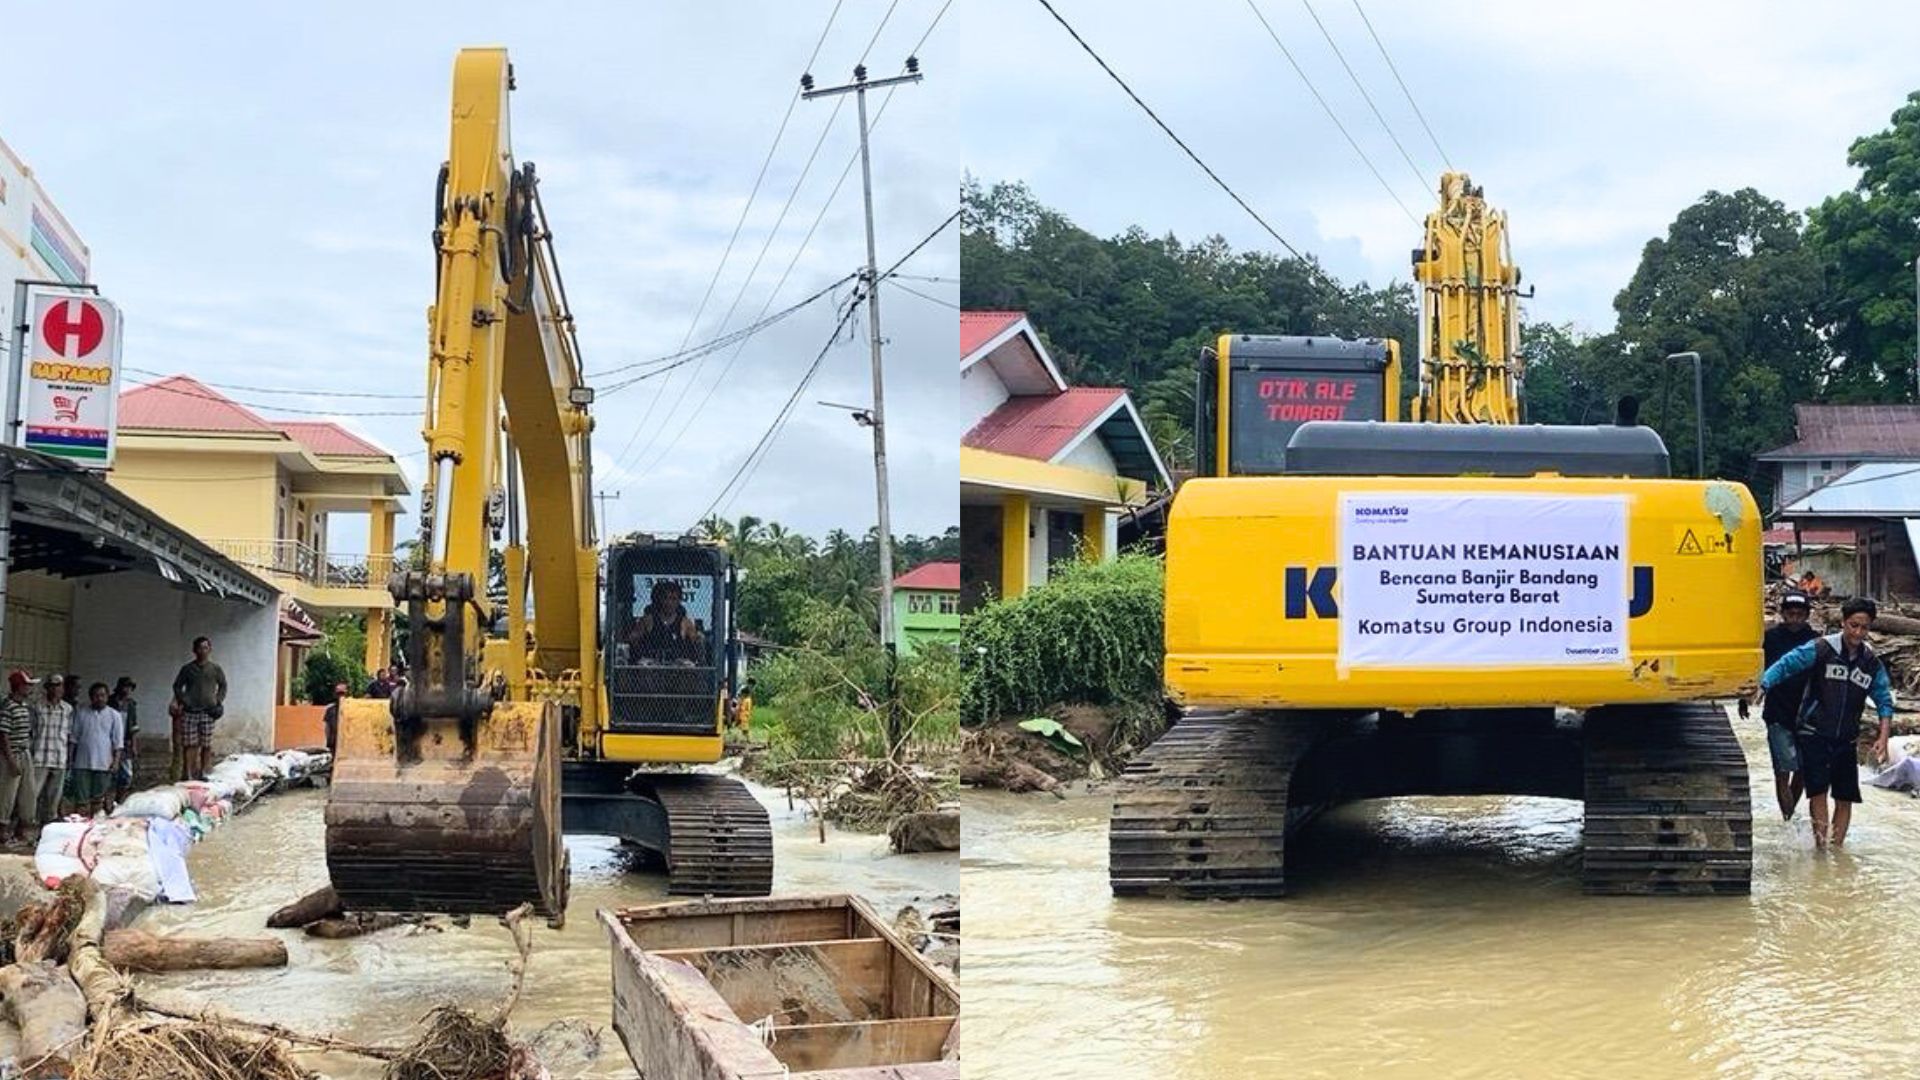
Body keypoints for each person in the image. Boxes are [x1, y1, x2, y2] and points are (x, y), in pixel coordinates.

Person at [1759, 596, 1894, 849]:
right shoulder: (1821, 648)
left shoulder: (1871, 663)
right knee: (1818, 792)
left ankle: (1837, 849)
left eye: (1864, 627)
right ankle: (1822, 851)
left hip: (1847, 737)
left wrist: (1883, 738)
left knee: (1845, 797)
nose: (1858, 632)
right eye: (1853, 625)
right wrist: (1764, 684)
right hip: (1815, 732)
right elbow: (1787, 664)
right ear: (1843, 623)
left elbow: (1884, 700)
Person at [1743, 592, 1819, 820]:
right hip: (1777, 710)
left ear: (1807, 615)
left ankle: (1790, 813)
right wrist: (1744, 699)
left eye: (1799, 614)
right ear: (1783, 614)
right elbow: (1756, 670)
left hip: (1808, 712)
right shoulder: (1770, 639)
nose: (1794, 618)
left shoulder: (1817, 642)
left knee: (1803, 771)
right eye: (1790, 613)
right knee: (1782, 770)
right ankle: (1787, 818)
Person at [171, 636, 227, 783]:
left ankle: (203, 771)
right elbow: (177, 686)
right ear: (194, 650)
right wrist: (184, 700)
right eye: (200, 648)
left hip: (208, 712)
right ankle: (188, 773)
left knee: (206, 744)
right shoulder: (188, 669)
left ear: (210, 649)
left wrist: (218, 700)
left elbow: (223, 685)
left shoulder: (215, 669)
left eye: (205, 648)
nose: (203, 651)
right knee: (189, 744)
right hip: (190, 712)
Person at [69, 682, 123, 818]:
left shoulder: (114, 715)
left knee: (98, 800)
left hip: (104, 764)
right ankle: (80, 825)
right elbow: (73, 739)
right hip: (82, 763)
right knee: (81, 800)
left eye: (102, 695)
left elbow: (118, 742)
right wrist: (70, 759)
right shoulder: (81, 713)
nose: (99, 698)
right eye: (96, 696)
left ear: (107, 697)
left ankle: (95, 825)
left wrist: (116, 762)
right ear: (91, 697)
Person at [27, 674, 72, 829]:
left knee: (53, 798)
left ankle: (47, 829)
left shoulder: (67, 709)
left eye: (59, 685)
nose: (56, 689)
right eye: (53, 685)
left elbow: (69, 735)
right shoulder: (36, 707)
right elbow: (30, 731)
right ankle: (28, 826)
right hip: (39, 757)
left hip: (59, 758)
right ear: (47, 688)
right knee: (32, 796)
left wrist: (69, 759)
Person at [626, 580, 705, 663]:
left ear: (679, 601)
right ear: (660, 599)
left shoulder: (685, 622)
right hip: (653, 663)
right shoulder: (648, 620)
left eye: (673, 599)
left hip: (677, 665)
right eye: (666, 598)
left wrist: (699, 638)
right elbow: (633, 639)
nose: (669, 603)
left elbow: (696, 641)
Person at [0, 673, 33, 845]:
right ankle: (3, 830)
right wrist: (11, 761)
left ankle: (22, 829)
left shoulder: (24, 706)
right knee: (7, 794)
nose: (30, 688)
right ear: (19, 687)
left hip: (24, 751)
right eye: (27, 685)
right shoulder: (8, 707)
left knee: (27, 792)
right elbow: (3, 735)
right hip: (12, 754)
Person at [108, 677, 138, 804]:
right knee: (109, 772)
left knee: (127, 775)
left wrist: (134, 745)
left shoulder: (131, 704)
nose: (127, 690)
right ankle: (107, 800)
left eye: (129, 687)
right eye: (125, 687)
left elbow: (134, 727)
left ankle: (119, 799)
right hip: (109, 742)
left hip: (125, 742)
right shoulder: (110, 702)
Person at [322, 681, 348, 757]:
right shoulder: (330, 709)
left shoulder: (351, 709)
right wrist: (328, 741)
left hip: (347, 743)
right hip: (334, 742)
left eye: (342, 693)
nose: (340, 696)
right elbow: (327, 727)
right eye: (338, 693)